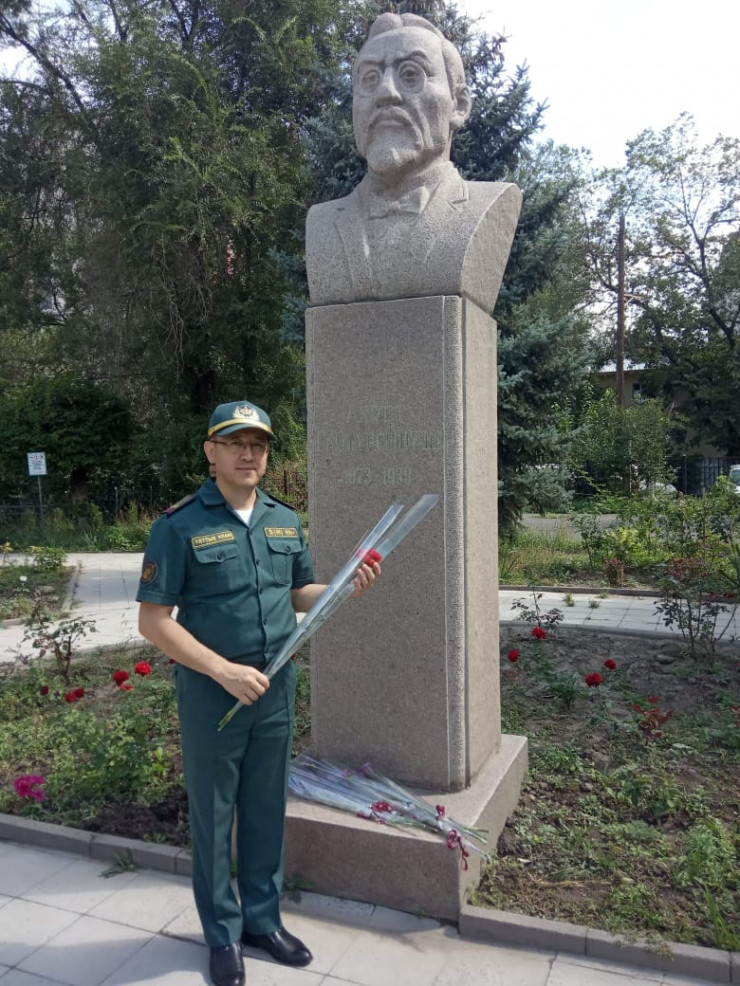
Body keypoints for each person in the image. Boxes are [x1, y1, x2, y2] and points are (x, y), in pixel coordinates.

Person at [137, 400, 380, 986]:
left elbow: (297, 592)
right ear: (211, 451)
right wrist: (222, 671)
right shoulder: (178, 525)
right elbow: (154, 621)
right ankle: (222, 934)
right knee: (214, 816)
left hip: (274, 689)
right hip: (213, 693)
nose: (249, 454)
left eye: (259, 445)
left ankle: (262, 922)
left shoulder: (283, 520)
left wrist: (340, 588)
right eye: (236, 443)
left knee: (267, 808)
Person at [305, 12, 521, 311]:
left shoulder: (485, 206)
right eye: (370, 79)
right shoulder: (322, 223)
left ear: (459, 106)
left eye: (410, 75)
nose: (385, 93)